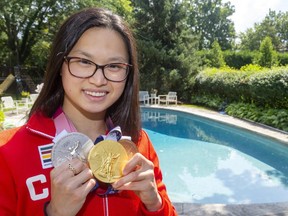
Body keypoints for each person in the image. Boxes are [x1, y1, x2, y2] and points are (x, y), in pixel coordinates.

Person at [0, 7, 177, 216]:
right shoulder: (7, 153)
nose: (98, 80)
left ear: (128, 74)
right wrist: (54, 212)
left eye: (114, 66)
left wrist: (154, 204)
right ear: (60, 66)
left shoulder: (139, 144)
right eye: (84, 61)